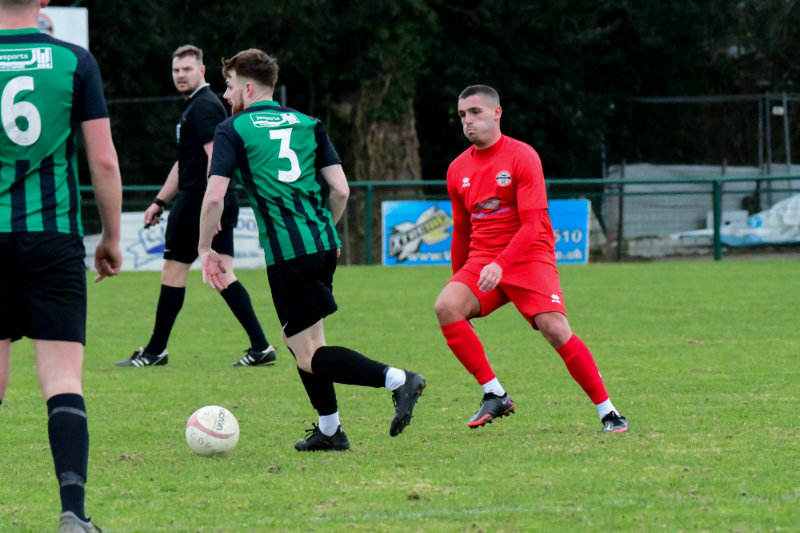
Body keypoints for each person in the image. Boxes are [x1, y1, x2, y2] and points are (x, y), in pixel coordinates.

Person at [198, 48, 426, 451]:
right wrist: (324, 232)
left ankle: (398, 380)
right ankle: (330, 430)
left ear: (248, 88)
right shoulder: (308, 123)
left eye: (229, 85)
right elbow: (341, 190)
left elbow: (215, 196)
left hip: (289, 253)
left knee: (308, 354)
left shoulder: (233, 128)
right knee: (302, 340)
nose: (225, 94)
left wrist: (205, 247)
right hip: (322, 243)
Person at [434, 85, 628, 433]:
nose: (468, 121)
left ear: (497, 113)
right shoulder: (457, 169)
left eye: (475, 112)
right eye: (462, 115)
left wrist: (501, 264)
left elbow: (532, 225)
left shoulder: (522, 157)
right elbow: (461, 231)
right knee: (447, 307)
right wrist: (459, 282)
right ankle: (495, 394)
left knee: (555, 329)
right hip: (483, 260)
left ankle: (609, 412)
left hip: (529, 255)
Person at [0, 0, 123, 531]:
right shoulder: (75, 61)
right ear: (45, 0)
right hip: (52, 238)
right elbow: (104, 161)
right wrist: (111, 237)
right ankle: (73, 512)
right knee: (62, 379)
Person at [116, 44, 275, 368]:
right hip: (210, 199)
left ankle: (155, 352)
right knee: (223, 274)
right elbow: (184, 163)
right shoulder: (196, 106)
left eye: (187, 69)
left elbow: (215, 160)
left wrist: (211, 208)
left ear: (201, 71)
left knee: (173, 272)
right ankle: (261, 347)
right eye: (176, 70)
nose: (180, 75)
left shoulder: (203, 107)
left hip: (199, 201)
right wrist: (160, 200)